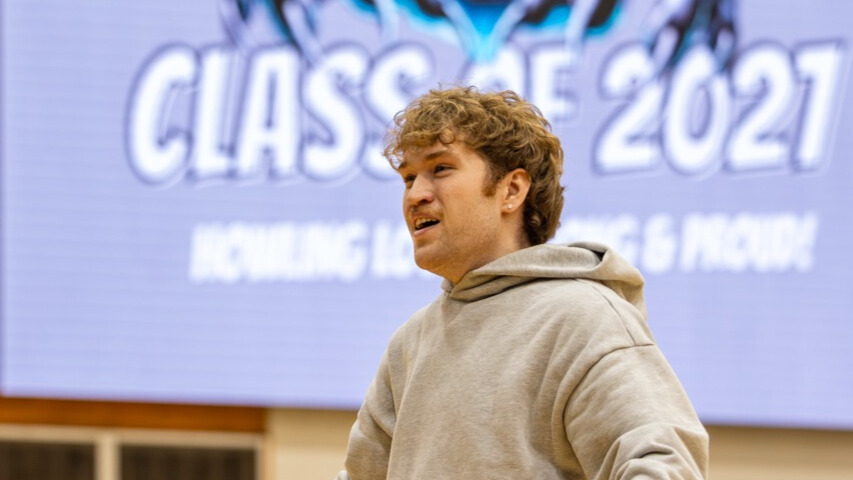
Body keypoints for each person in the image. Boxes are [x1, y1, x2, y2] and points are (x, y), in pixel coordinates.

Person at [336, 86, 708, 479]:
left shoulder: (585, 319)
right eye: (409, 178)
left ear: (511, 190)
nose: (415, 195)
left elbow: (665, 466)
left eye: (440, 168)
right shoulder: (410, 344)